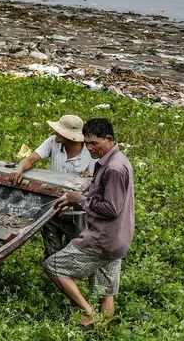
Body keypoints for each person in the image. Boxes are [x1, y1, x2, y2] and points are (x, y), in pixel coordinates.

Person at [44, 118, 135, 328]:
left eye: (94, 143)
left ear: (109, 139)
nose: (90, 148)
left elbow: (111, 209)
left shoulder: (113, 169)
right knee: (105, 292)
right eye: (87, 143)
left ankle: (89, 313)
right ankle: (101, 334)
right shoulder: (118, 161)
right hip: (118, 239)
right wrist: (71, 200)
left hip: (102, 238)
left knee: (54, 267)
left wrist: (80, 200)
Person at [11, 114, 95, 258]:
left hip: (76, 212)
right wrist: (19, 169)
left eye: (60, 131)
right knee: (51, 251)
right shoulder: (53, 142)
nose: (56, 133)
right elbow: (30, 159)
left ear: (71, 137)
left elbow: (94, 182)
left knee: (74, 252)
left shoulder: (90, 152)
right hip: (53, 206)